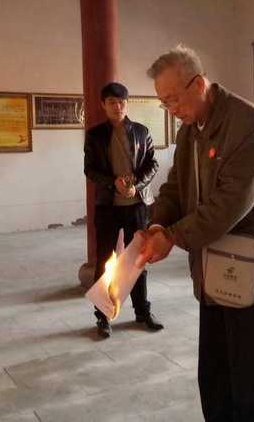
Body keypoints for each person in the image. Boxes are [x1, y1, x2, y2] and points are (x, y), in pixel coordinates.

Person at [136, 45, 254, 421]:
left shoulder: (247, 124)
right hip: (214, 269)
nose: (170, 109)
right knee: (215, 380)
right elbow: (175, 187)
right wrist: (157, 225)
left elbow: (230, 205)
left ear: (198, 85)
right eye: (164, 102)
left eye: (173, 99)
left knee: (252, 385)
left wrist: (173, 237)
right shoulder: (189, 131)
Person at [84, 82, 163, 339]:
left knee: (138, 260)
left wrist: (136, 185)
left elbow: (152, 164)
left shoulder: (141, 131)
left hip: (136, 205)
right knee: (103, 261)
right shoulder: (95, 135)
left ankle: (142, 311)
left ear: (127, 104)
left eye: (121, 102)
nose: (117, 107)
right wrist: (113, 183)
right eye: (112, 103)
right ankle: (103, 316)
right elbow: (90, 169)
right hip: (107, 206)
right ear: (103, 105)